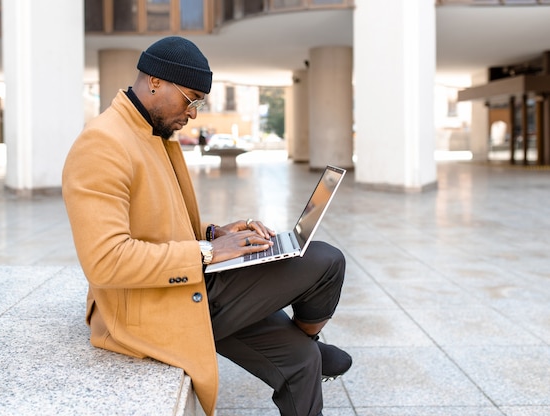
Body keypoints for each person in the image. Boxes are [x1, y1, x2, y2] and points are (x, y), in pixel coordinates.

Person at [62, 36, 352, 416]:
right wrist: (209, 252)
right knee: (326, 260)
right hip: (149, 304)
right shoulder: (102, 144)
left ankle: (306, 344)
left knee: (300, 362)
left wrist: (217, 234)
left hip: (182, 283)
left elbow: (163, 223)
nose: (194, 113)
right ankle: (309, 335)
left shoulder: (151, 134)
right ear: (155, 82)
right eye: (191, 99)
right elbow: (105, 261)